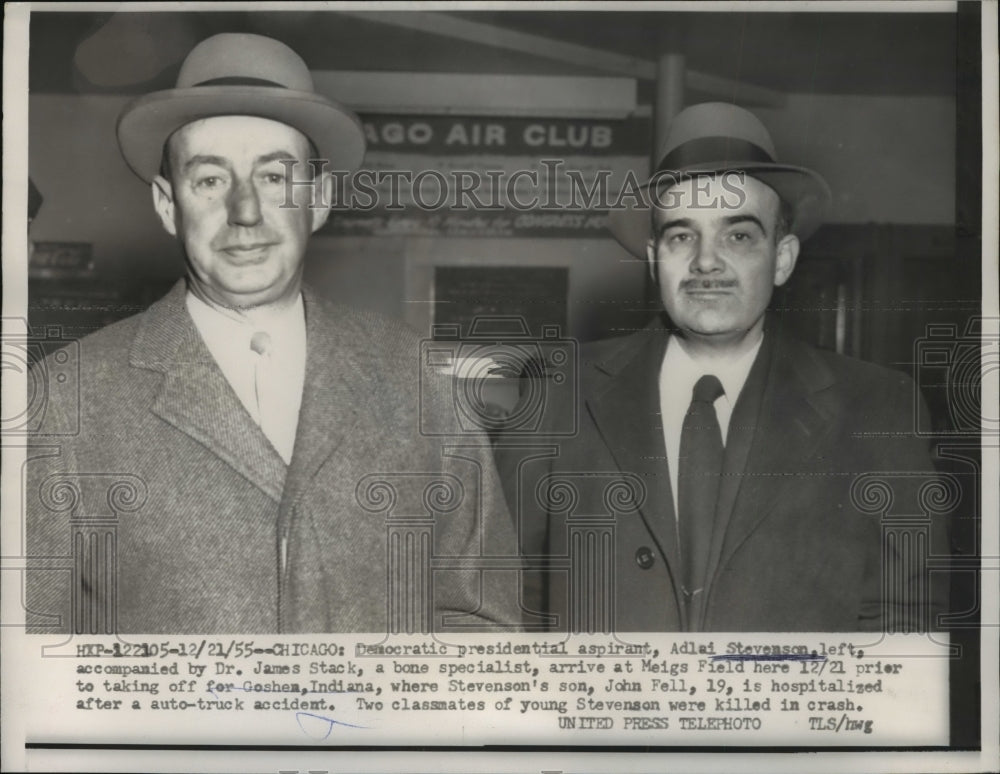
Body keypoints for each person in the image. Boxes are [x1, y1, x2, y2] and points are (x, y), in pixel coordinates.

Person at [26, 33, 521, 634]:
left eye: (275, 177)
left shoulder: (418, 379)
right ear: (166, 204)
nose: (245, 211)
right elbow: (32, 655)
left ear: (320, 198)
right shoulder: (65, 397)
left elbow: (481, 624)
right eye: (209, 180)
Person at [496, 102, 949, 633]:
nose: (706, 261)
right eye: (682, 235)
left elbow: (909, 621)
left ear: (781, 259)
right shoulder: (558, 390)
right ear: (653, 258)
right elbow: (496, 592)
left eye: (738, 235)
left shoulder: (877, 406)